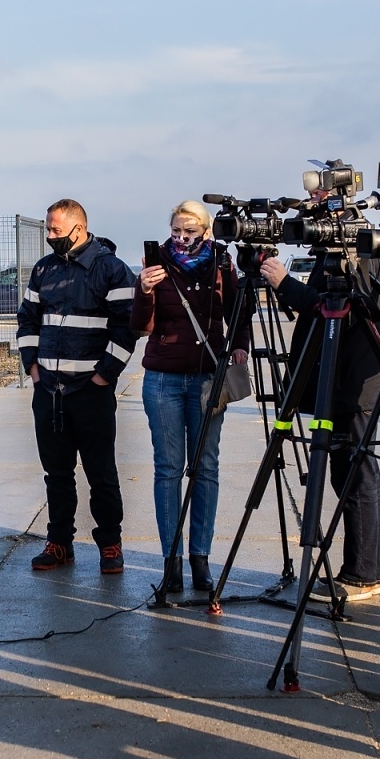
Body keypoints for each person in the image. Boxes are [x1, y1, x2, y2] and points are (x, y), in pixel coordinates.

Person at [258, 241, 380, 603]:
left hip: (354, 386)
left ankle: (364, 574)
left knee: (356, 477)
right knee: (343, 474)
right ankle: (360, 569)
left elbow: (344, 310)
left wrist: (286, 284)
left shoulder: (357, 251)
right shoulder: (331, 254)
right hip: (336, 384)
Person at [132, 201, 251, 593]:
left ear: (207, 232)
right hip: (163, 378)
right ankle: (172, 562)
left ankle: (201, 559)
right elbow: (140, 326)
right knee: (168, 469)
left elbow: (238, 310)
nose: (182, 238)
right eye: (177, 230)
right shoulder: (157, 262)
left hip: (206, 378)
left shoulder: (221, 262)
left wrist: (240, 345)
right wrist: (145, 290)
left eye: (190, 232)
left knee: (205, 468)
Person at [17, 199, 139, 573]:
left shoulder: (113, 270)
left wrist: (104, 375)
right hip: (49, 393)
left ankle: (110, 545)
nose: (50, 236)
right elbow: (27, 321)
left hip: (91, 393)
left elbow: (126, 328)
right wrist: (33, 369)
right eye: (49, 229)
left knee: (101, 472)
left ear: (79, 229)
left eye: (55, 230)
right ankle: (59, 543)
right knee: (56, 473)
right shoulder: (44, 269)